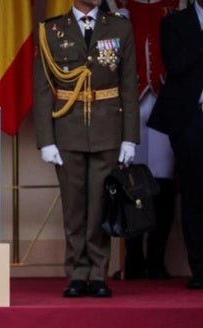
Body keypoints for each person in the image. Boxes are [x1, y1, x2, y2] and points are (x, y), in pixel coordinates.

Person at [33, 0, 140, 298]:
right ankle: (77, 273)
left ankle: (98, 273)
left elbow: (129, 85)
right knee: (74, 207)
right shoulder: (51, 30)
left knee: (100, 206)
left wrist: (130, 137)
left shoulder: (119, 26)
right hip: (67, 129)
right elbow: (42, 89)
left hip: (108, 131)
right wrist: (46, 140)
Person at [116, 0, 180, 280]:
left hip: (165, 100)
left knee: (163, 183)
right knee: (132, 183)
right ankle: (134, 258)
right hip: (130, 102)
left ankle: (157, 258)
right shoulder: (120, 5)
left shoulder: (176, 5)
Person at [148, 0, 203, 289]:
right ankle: (200, 269)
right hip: (190, 119)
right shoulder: (173, 23)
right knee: (194, 195)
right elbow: (176, 65)